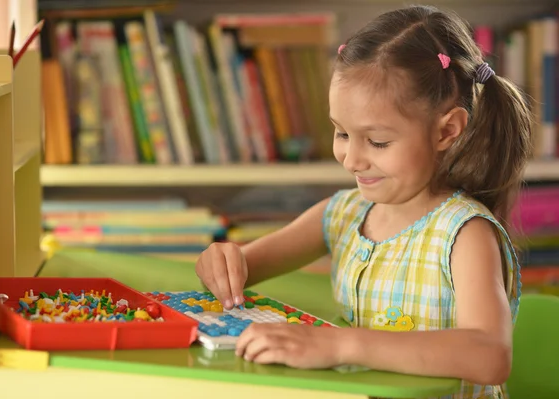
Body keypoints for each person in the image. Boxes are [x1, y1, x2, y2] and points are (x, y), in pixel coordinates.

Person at [194, 5, 533, 399]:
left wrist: (340, 345)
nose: (352, 160)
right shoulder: (342, 213)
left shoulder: (464, 233)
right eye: (341, 133)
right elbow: (241, 269)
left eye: (378, 142)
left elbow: (489, 355)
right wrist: (221, 263)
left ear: (447, 131)